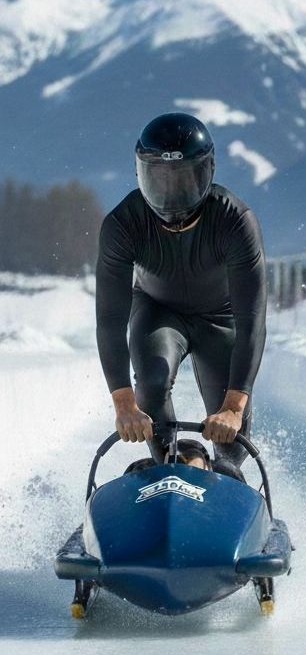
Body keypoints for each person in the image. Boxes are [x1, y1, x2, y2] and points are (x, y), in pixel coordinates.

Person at [95, 112, 268, 469]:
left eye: (184, 179)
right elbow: (111, 320)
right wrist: (125, 404)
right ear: (141, 175)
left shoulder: (235, 220)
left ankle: (217, 469)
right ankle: (176, 464)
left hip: (221, 319)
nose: (172, 192)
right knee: (152, 383)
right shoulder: (122, 224)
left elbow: (251, 319)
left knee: (232, 448)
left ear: (207, 173)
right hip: (158, 313)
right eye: (160, 179)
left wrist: (234, 407)